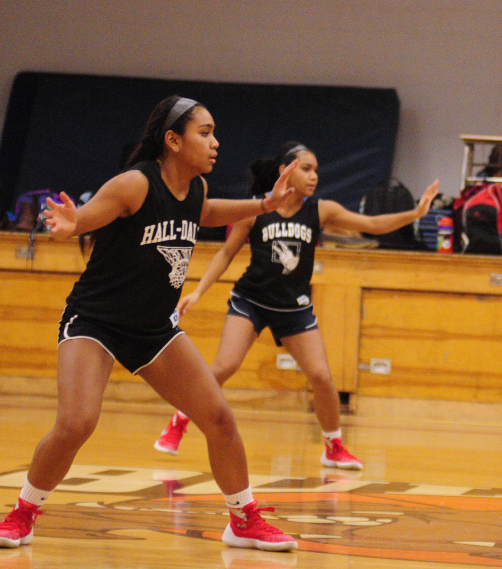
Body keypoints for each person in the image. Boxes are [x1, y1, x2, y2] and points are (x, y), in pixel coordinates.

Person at [0, 96, 302, 552]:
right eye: (205, 132)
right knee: (76, 423)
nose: (216, 143)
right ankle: (22, 514)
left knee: (219, 419)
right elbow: (88, 218)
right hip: (97, 320)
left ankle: (244, 520)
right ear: (173, 140)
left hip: (154, 328)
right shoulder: (135, 184)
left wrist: (264, 204)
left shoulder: (196, 190)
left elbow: (206, 215)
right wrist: (72, 222)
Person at [154, 142, 438, 470]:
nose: (314, 176)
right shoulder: (255, 208)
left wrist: (415, 213)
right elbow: (225, 254)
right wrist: (198, 292)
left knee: (322, 377)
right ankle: (178, 422)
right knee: (223, 367)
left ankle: (333, 447)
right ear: (285, 171)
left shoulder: (321, 210)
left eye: (316, 170)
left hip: (294, 307)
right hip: (252, 301)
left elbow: (370, 225)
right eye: (306, 169)